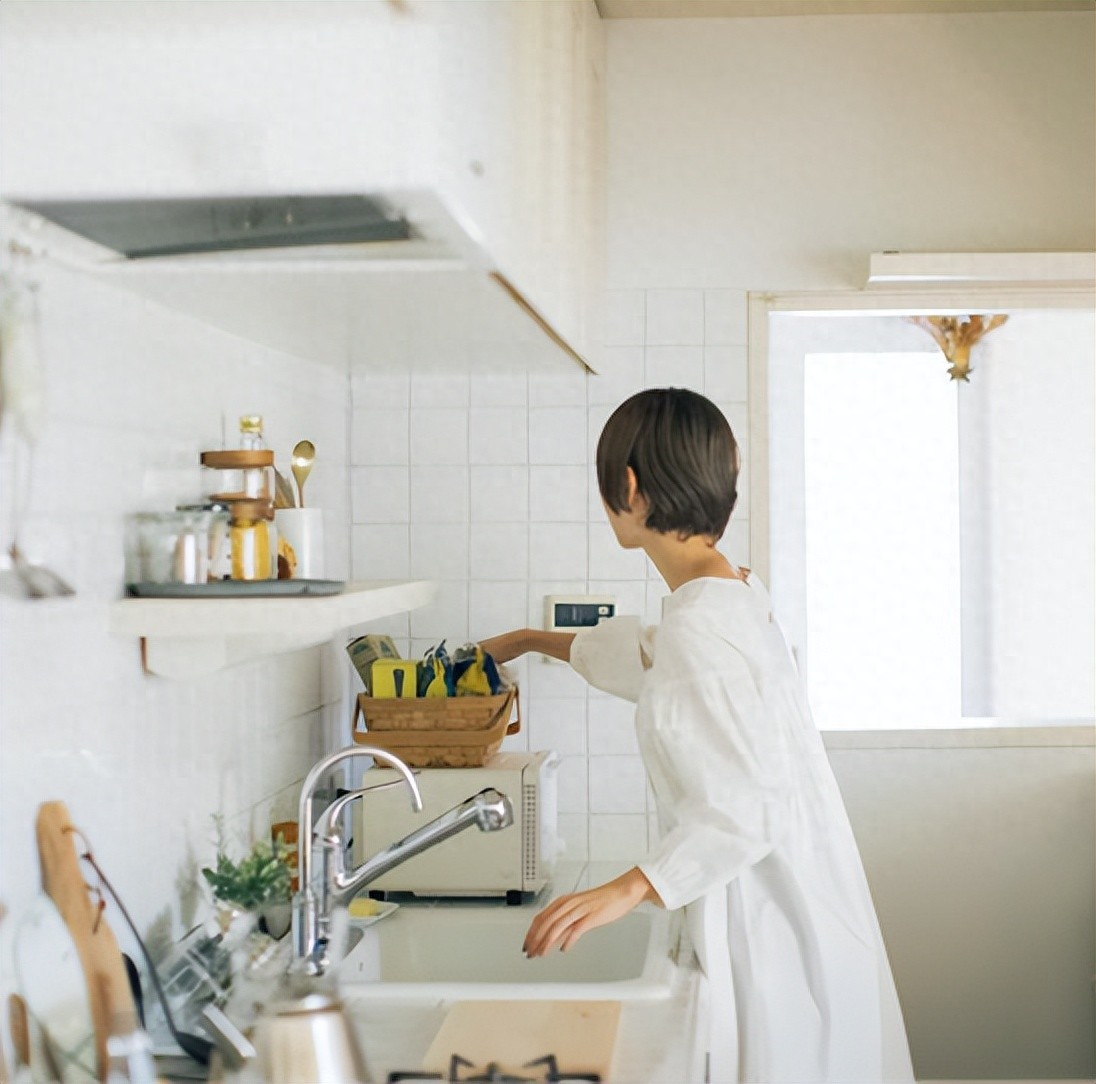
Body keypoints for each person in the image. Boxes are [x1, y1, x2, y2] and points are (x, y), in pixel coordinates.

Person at [480, 388, 914, 1084]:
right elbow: (652, 660)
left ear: (629, 488)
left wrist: (629, 887)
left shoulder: (702, 626)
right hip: (803, 902)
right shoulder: (733, 592)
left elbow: (746, 807)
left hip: (767, 924)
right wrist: (529, 640)